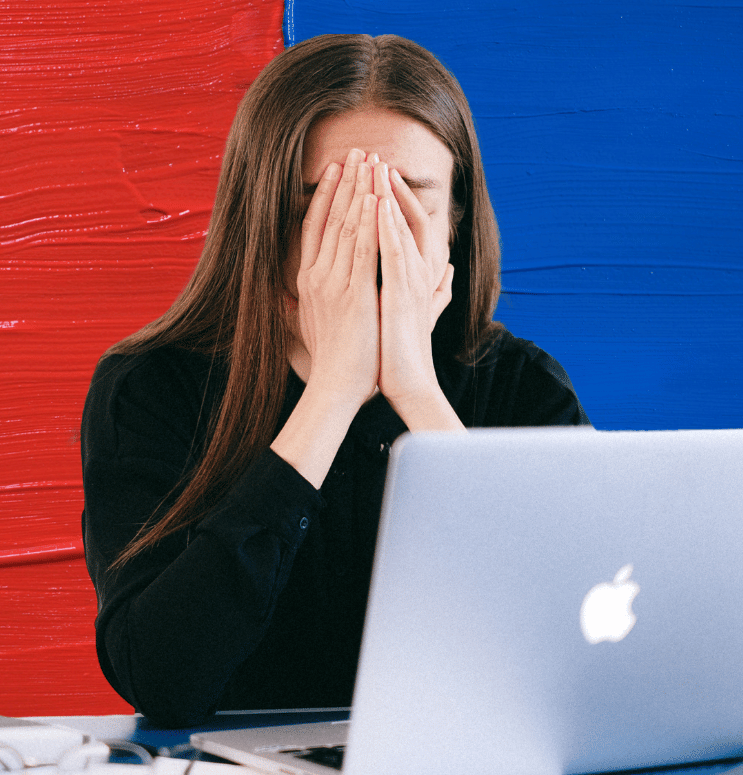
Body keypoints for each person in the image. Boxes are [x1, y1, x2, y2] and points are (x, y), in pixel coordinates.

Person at [80, 33, 590, 728]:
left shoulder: (523, 388)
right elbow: (163, 678)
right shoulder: (151, 387)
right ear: (261, 217)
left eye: (406, 200)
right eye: (324, 203)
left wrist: (414, 390)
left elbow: (573, 653)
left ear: (454, 222)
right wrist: (331, 395)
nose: (368, 234)